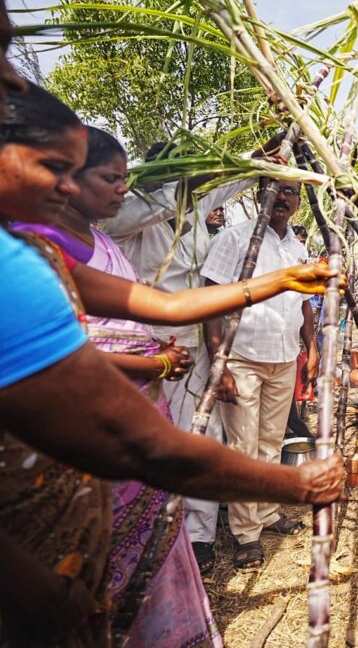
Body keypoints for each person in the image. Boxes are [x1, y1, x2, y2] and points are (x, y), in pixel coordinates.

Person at [0, 79, 344, 646]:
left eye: (74, 169)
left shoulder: (43, 255)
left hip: (95, 488)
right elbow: (141, 446)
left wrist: (285, 277)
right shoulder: (30, 265)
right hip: (43, 508)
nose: (65, 186)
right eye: (55, 168)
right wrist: (297, 484)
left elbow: (165, 304)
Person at [13, 125, 224, 646]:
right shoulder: (39, 252)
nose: (120, 189)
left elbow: (168, 305)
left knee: (158, 514)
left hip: (165, 363)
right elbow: (74, 350)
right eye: (110, 178)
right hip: (103, 414)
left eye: (126, 179)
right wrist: (154, 363)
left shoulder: (102, 238)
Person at [102, 142, 259, 574]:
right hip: (151, 346)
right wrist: (187, 181)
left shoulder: (192, 208)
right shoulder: (127, 217)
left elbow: (229, 183)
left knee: (201, 435)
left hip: (195, 344)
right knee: (153, 438)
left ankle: (199, 536)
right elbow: (173, 199)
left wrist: (264, 149)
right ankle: (151, 530)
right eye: (174, 177)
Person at [201, 177, 318, 569]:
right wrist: (220, 361)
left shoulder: (296, 248)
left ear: (299, 202)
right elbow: (210, 298)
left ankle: (266, 512)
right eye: (275, 189)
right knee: (243, 446)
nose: (282, 197)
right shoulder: (235, 239)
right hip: (243, 357)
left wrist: (311, 348)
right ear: (258, 193)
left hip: (284, 357)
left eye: (290, 192)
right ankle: (246, 533)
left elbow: (304, 306)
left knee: (271, 440)